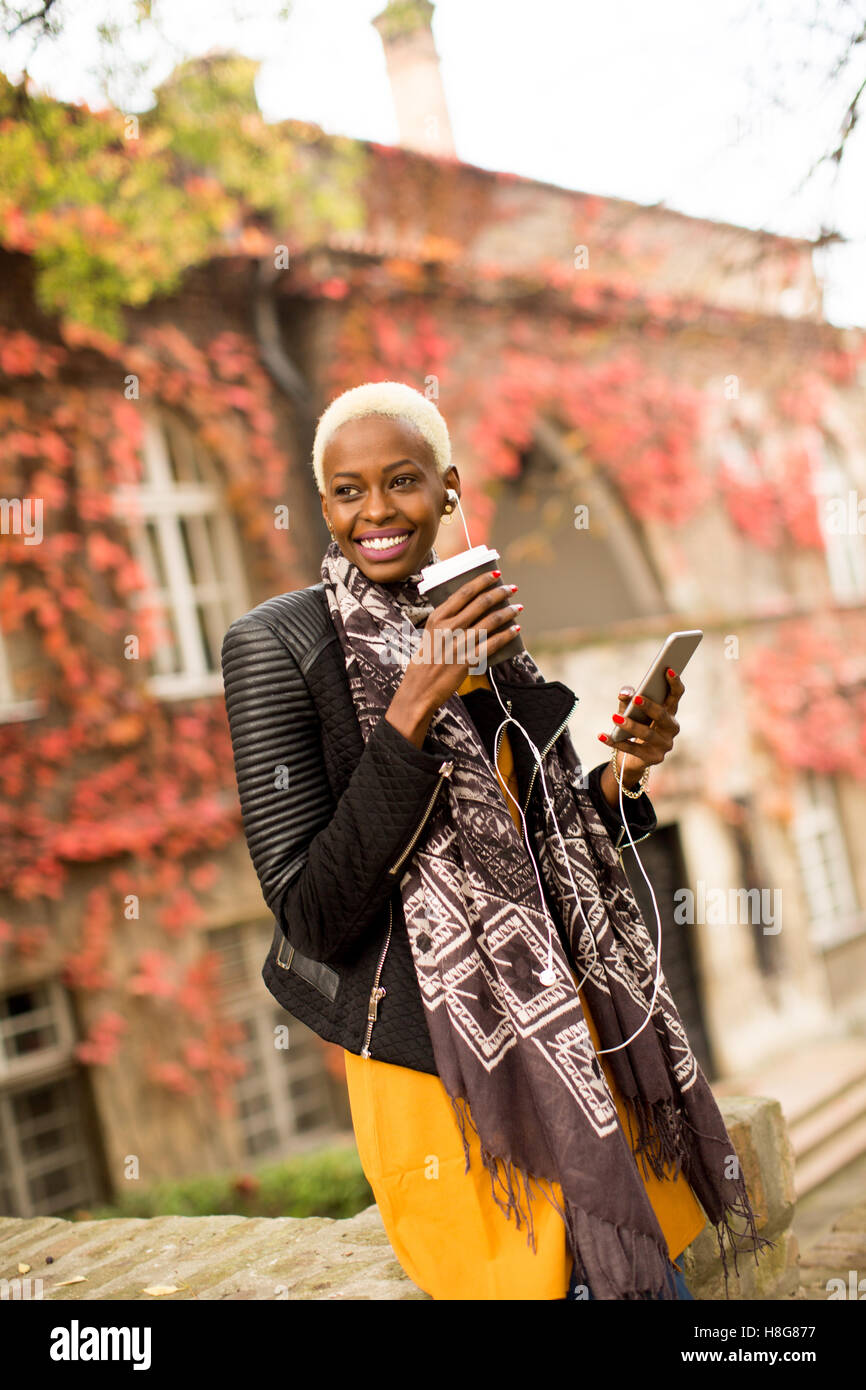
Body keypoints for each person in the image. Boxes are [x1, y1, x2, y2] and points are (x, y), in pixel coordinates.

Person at [221, 380, 769, 1301]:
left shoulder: (484, 627)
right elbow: (312, 914)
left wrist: (625, 773)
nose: (376, 512)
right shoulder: (278, 644)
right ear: (323, 507)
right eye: (347, 492)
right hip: (450, 1083)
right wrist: (411, 709)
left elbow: (539, 836)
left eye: (401, 481)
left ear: (448, 489)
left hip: (582, 1053)